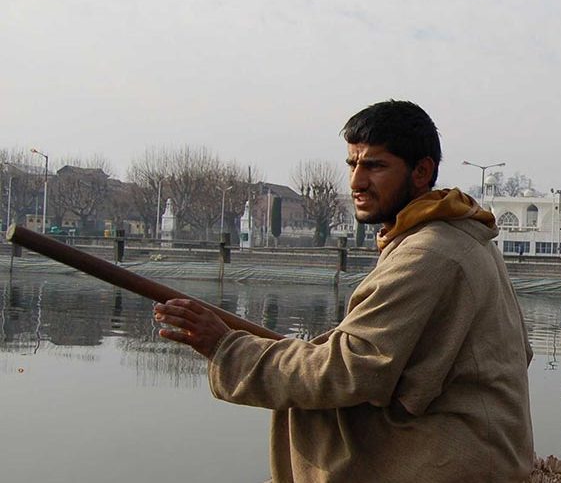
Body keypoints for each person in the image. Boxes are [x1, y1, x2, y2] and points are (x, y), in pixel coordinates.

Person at [154, 100, 535, 482]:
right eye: (352, 164)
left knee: (320, 392)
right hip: (488, 451)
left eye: (375, 165)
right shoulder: (460, 235)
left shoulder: (429, 251)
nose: (356, 182)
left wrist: (226, 347)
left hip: (465, 463)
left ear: (422, 171)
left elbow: (349, 369)